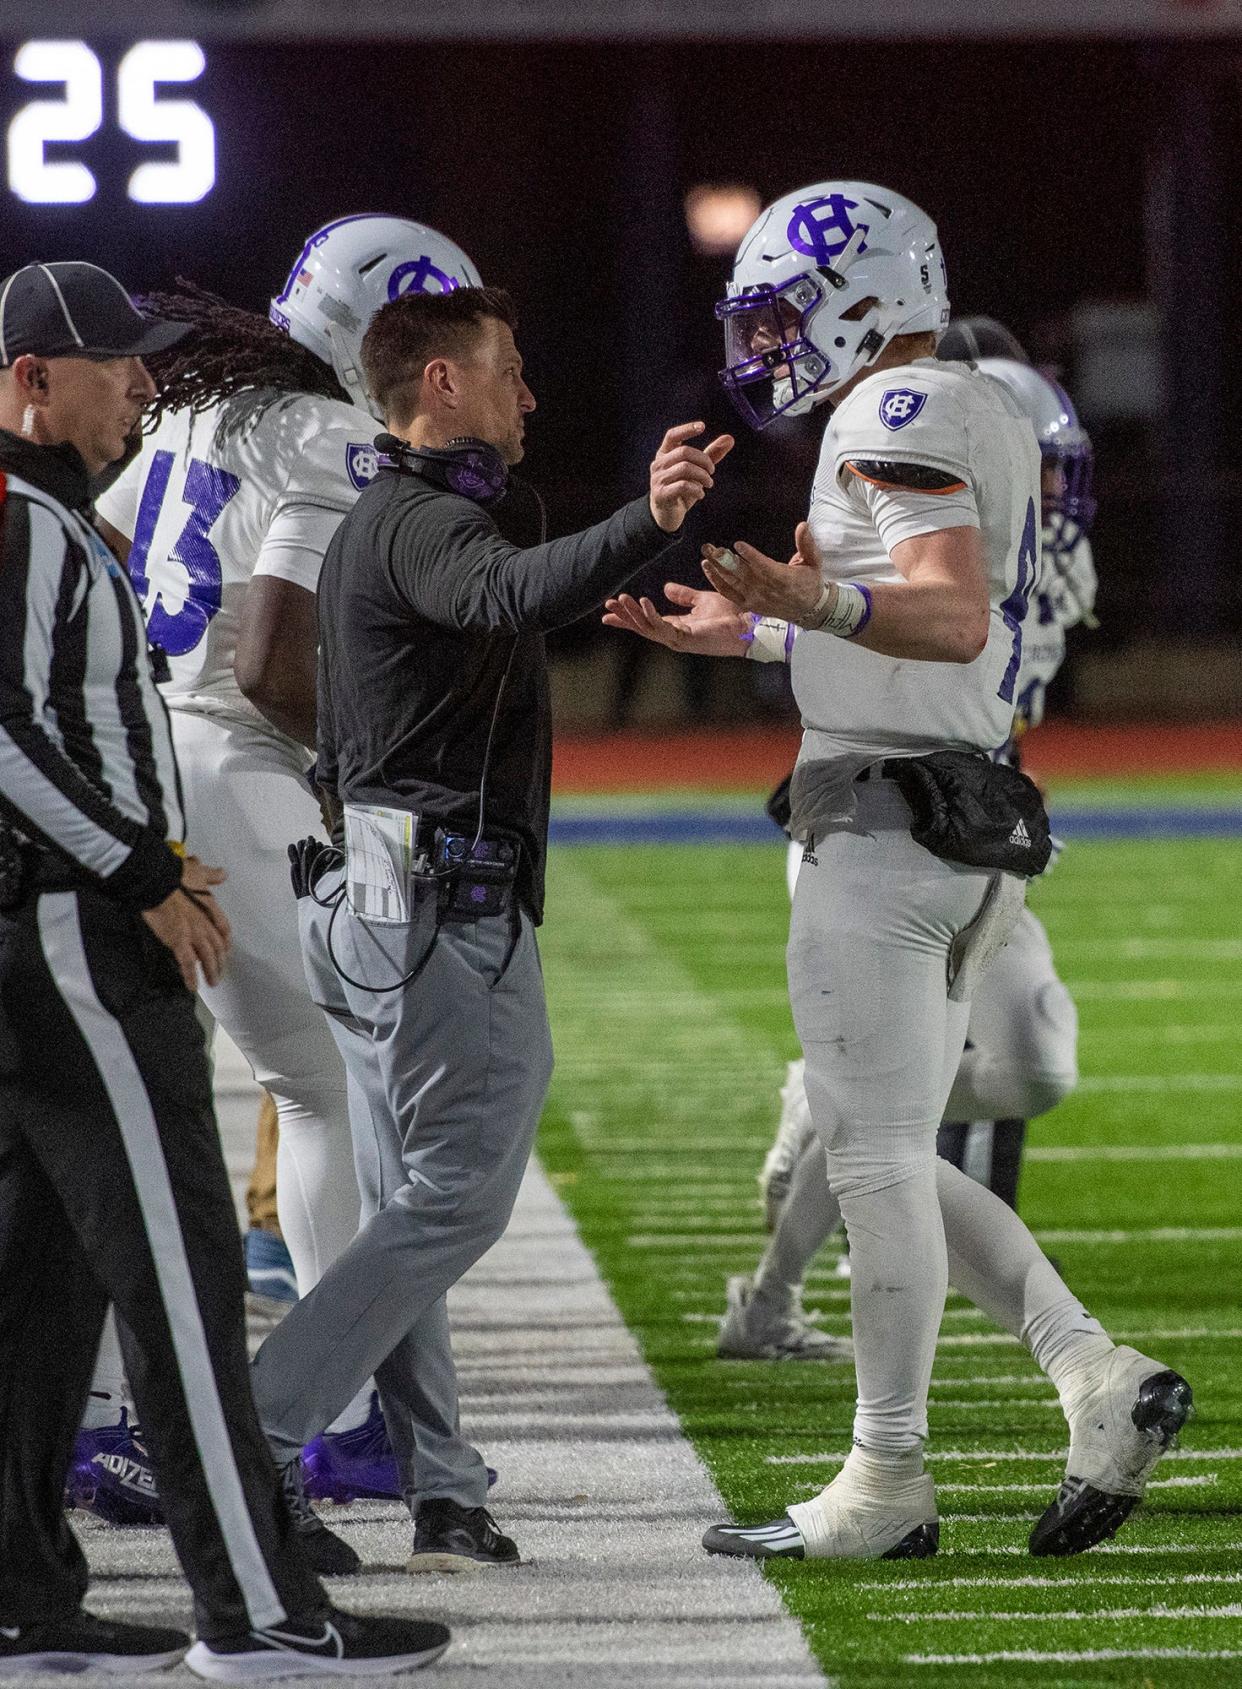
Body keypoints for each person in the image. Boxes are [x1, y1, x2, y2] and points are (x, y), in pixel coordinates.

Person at [603, 181, 1190, 1562]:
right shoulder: (979, 401)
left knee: (870, 1155)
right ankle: (1091, 1378)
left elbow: (945, 608)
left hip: (883, 830)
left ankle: (884, 1483)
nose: (764, 344)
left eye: (781, 310)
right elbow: (956, 639)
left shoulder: (893, 408)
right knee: (888, 1154)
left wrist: (806, 598)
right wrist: (759, 636)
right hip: (958, 817)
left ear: (861, 292)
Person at [0, 259, 449, 1678]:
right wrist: (138, 869)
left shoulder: (65, 508)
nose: (142, 381)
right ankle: (255, 1609)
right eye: (111, 363)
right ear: (29, 381)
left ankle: (19, 1590)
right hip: (74, 934)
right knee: (185, 1282)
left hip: (59, 922)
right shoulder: (26, 521)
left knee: (45, 1282)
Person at [244, 282, 732, 1572]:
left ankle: (444, 1491)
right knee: (454, 1203)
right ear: (440, 387)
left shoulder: (382, 519)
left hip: (371, 901)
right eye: (509, 370)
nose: (530, 395)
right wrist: (656, 519)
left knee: (411, 1209)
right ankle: (244, 1439)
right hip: (429, 909)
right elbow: (515, 592)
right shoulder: (417, 519)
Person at [84, 216, 482, 1538]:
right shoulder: (328, 439)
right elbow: (270, 662)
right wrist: (377, 766)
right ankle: (350, 1413)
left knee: (116, 1104)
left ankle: (90, 1416)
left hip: (141, 759)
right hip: (239, 770)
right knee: (320, 1092)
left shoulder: (207, 410)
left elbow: (94, 540)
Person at [716, 344, 1095, 1363]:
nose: (1051, 492)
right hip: (881, 821)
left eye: (1057, 471)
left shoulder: (1040, 556)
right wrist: (763, 627)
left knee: (1014, 1072)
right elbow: (894, 627)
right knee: (889, 1130)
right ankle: (809, 1340)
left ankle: (772, 1306)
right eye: (1038, 471)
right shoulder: (925, 491)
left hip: (969, 828)